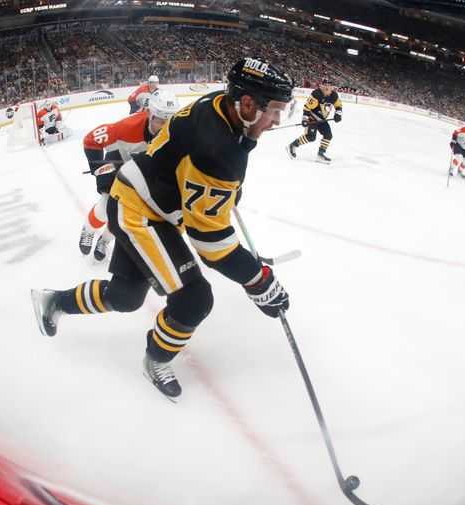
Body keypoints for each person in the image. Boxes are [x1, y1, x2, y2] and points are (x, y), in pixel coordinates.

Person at [31, 58, 293, 399]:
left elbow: (196, 173)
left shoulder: (217, 102)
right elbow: (210, 243)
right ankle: (156, 359)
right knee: (194, 298)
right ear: (246, 104)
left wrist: (227, 193)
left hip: (136, 199)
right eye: (274, 111)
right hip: (140, 214)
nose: (276, 121)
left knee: (126, 297)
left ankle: (55, 302)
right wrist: (258, 280)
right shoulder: (218, 152)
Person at [79, 89, 179, 261]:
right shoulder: (127, 128)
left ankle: (104, 239)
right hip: (120, 163)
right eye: (160, 121)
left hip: (145, 174)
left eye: (170, 121)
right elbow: (90, 139)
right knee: (104, 209)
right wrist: (98, 168)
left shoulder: (180, 131)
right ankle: (88, 230)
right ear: (149, 114)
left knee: (124, 218)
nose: (165, 128)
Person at [286, 78, 342, 164]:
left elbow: (338, 106)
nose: (327, 87)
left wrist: (338, 114)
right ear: (322, 86)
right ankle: (293, 145)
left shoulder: (334, 96)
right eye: (325, 85)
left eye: (329, 85)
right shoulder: (317, 94)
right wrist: (305, 119)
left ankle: (320, 154)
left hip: (322, 120)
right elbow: (307, 108)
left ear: (332, 87)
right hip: (312, 118)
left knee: (328, 135)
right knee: (311, 137)